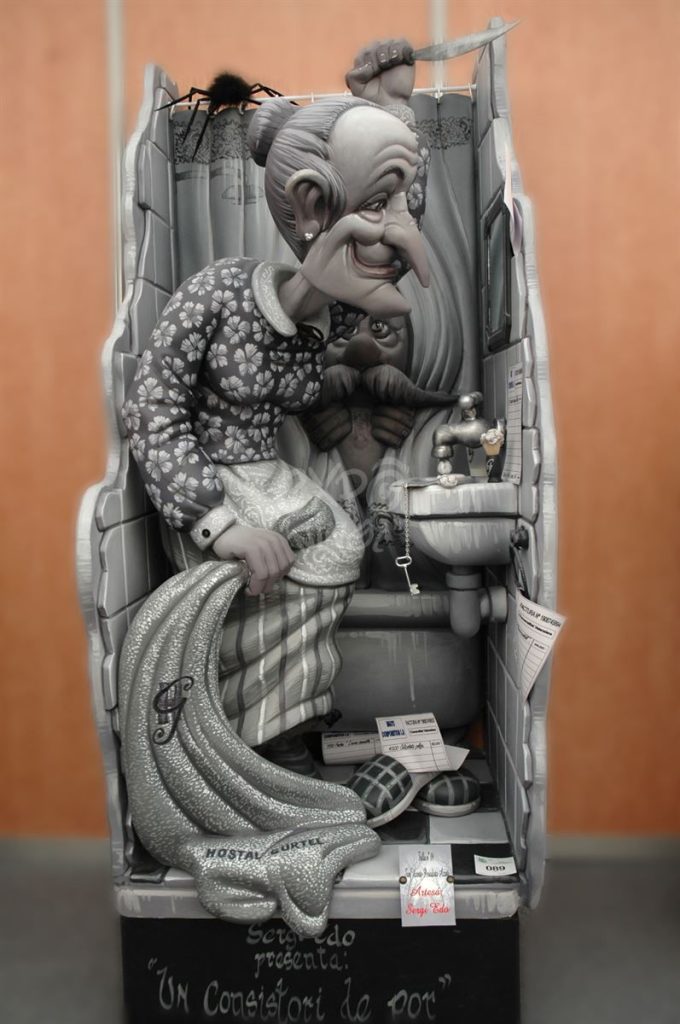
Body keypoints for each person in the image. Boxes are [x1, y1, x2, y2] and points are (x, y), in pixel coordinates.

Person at [122, 39, 430, 754]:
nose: (400, 232)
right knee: (317, 561)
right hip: (212, 483)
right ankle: (236, 729)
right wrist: (216, 525)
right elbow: (154, 410)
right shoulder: (220, 291)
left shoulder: (336, 319)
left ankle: (283, 719)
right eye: (378, 205)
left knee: (343, 553)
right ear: (311, 204)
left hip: (266, 473)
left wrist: (386, 107)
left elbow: (386, 240)